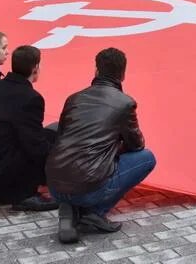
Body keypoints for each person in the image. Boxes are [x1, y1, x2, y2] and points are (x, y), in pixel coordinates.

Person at [46, 48, 156, 243]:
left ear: (96, 71)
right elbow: (136, 145)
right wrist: (115, 147)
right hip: (89, 187)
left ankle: (70, 207)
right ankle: (94, 212)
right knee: (147, 158)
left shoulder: (74, 98)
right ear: (122, 74)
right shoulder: (125, 103)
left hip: (54, 185)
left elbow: (61, 135)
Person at [0, 45, 58, 211]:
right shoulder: (30, 98)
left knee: (50, 134)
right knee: (51, 142)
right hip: (2, 178)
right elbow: (34, 145)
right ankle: (25, 196)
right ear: (35, 68)